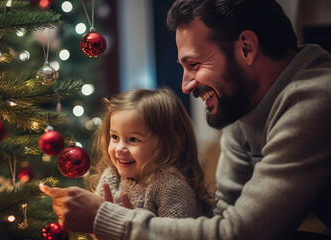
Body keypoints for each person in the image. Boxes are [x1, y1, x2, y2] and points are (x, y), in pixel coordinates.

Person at [40, 0, 331, 239]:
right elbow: (225, 217)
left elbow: (241, 232)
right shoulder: (244, 110)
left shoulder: (315, 99)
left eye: (194, 65)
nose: (186, 85)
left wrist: (104, 218)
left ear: (247, 48)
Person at [85, 88, 215, 219]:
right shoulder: (111, 177)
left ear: (172, 146)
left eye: (133, 139)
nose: (119, 148)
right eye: (114, 137)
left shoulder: (171, 186)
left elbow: (177, 234)